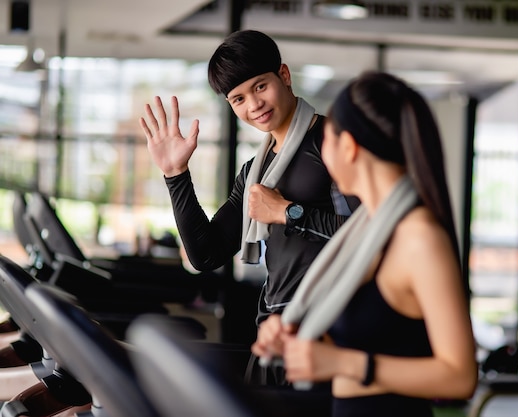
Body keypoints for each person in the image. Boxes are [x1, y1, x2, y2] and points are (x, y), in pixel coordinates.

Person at [138, 29, 359, 388]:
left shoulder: (334, 144)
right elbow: (206, 254)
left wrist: (289, 212)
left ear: (283, 76)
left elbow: (371, 236)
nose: (253, 104)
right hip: (275, 327)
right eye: (238, 99)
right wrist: (175, 174)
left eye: (260, 86)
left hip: (328, 330)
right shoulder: (256, 172)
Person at [251, 71, 478, 417]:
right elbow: (372, 335)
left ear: (348, 146)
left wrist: (344, 363)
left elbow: (460, 377)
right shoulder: (366, 229)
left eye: (326, 137)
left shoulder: (419, 237)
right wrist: (296, 340)